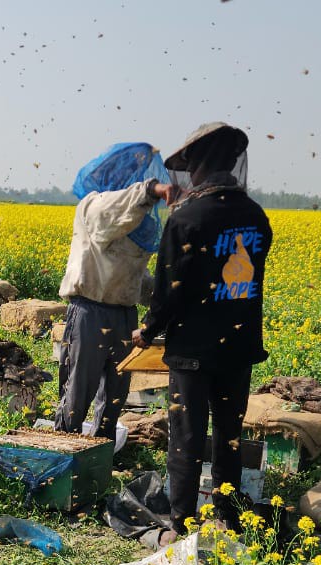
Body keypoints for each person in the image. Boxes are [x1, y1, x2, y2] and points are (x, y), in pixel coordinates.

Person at [132, 122, 270, 537]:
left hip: (192, 349)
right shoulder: (255, 216)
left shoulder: (187, 218)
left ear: (200, 167)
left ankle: (181, 522)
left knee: (187, 437)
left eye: (190, 167)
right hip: (239, 345)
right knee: (228, 433)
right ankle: (227, 515)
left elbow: (170, 290)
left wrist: (148, 328)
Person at [55, 143, 176, 440]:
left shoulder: (139, 222)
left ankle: (100, 457)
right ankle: (63, 456)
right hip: (89, 311)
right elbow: (113, 210)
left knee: (115, 397)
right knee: (77, 394)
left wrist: (167, 303)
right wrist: (151, 191)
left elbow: (136, 275)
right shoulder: (93, 207)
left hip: (124, 315)